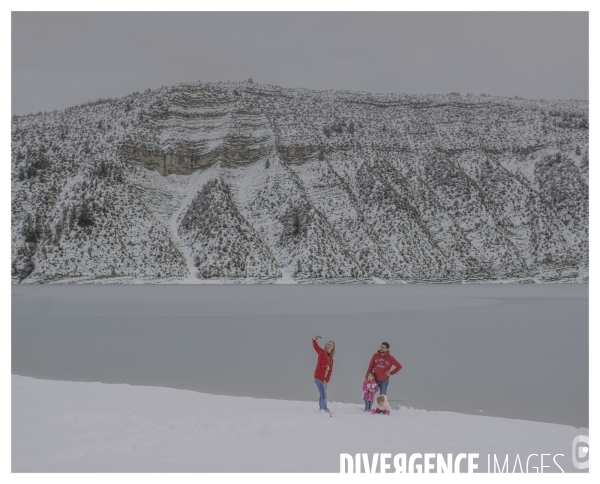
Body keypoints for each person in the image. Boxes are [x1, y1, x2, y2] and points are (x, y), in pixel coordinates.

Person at [312, 335, 335, 414]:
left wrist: (326, 380)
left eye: (331, 345)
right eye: (328, 344)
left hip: (324, 379)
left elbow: (330, 371)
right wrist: (314, 340)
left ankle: (321, 409)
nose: (329, 346)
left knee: (322, 394)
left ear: (333, 348)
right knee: (324, 395)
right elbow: (316, 347)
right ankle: (325, 409)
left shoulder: (331, 359)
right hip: (318, 378)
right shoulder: (322, 353)